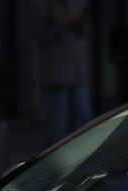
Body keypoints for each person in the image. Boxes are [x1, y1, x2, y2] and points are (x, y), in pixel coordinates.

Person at [39, 0, 91, 146]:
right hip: (57, 74)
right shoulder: (46, 6)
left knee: (82, 116)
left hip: (76, 72)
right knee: (57, 123)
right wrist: (64, 25)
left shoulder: (74, 5)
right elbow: (41, 36)